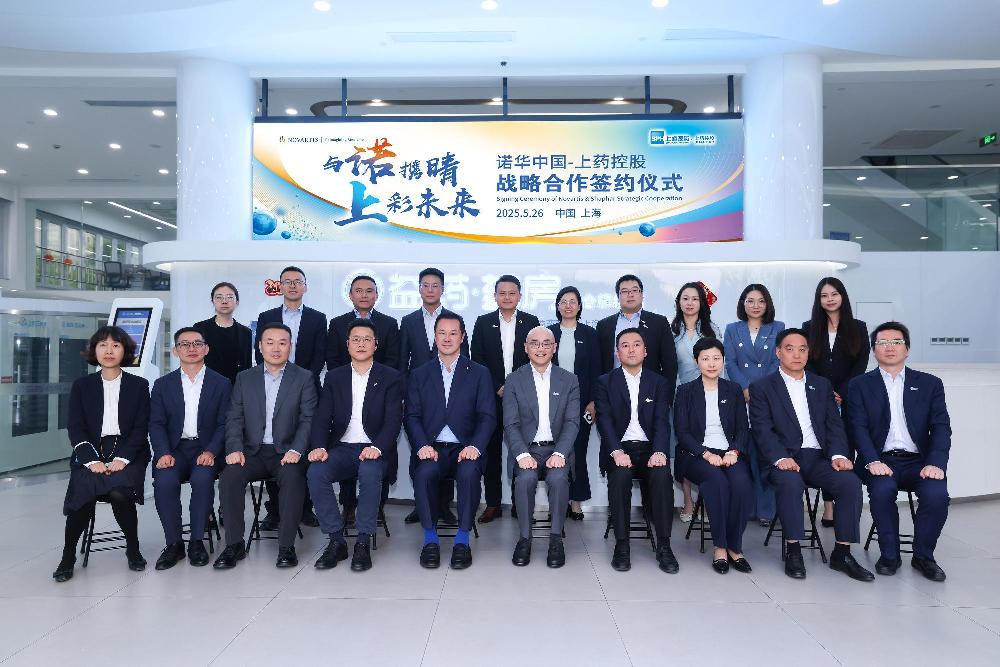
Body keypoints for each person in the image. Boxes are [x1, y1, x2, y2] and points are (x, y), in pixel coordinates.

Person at [748, 328, 873, 582]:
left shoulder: (821, 385)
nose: (797, 354)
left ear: (808, 353)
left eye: (802, 349)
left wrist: (838, 455)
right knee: (790, 482)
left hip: (818, 458)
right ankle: (793, 550)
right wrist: (781, 458)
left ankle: (842, 553)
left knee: (850, 483)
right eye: (790, 349)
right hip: (783, 458)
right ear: (778, 352)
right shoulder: (762, 387)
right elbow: (762, 430)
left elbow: (834, 426)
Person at [847, 322, 951, 582]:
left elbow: (941, 427)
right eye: (882, 343)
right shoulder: (859, 385)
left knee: (937, 495)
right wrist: (871, 460)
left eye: (896, 342)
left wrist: (936, 463)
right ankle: (890, 555)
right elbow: (857, 427)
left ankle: (924, 556)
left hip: (920, 462)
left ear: (907, 349)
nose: (890, 347)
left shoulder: (930, 384)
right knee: (882, 491)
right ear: (874, 350)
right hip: (880, 460)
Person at [213, 322, 317, 570]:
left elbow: (308, 419)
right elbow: (234, 417)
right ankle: (234, 544)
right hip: (252, 452)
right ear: (260, 346)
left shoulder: (304, 377)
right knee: (229, 477)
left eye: (282, 343)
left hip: (287, 452)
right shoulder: (245, 378)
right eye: (270, 343)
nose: (276, 348)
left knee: (293, 478)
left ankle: (286, 546)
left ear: (290, 346)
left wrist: (296, 450)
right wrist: (234, 448)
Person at [53, 326, 151, 583]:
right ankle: (67, 556)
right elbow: (76, 427)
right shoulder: (82, 385)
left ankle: (133, 548)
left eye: (115, 345)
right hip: (91, 450)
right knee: (84, 492)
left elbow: (141, 428)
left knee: (119, 493)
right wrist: (91, 460)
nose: (109, 351)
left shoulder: (139, 385)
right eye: (103, 345)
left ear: (124, 351)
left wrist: (122, 459)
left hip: (129, 451)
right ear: (94, 350)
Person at [307, 319, 403, 572]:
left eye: (367, 339)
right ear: (347, 344)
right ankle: (336, 540)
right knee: (316, 472)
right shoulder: (335, 377)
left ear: (376, 345)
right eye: (356, 340)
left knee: (370, 472)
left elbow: (393, 421)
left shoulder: (390, 377)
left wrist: (377, 448)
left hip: (374, 448)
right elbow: (321, 418)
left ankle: (362, 541)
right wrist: (319, 446)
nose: (361, 344)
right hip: (342, 448)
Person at [406, 313, 496, 569]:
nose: (447, 338)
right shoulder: (420, 374)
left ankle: (462, 540)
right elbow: (412, 416)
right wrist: (422, 445)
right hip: (431, 448)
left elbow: (487, 416)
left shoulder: (479, 373)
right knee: (425, 473)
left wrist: (475, 446)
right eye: (442, 333)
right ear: (434, 337)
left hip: (465, 448)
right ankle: (430, 539)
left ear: (462, 337)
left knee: (468, 474)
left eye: (453, 333)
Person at [595, 328, 678, 574]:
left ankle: (664, 545)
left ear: (645, 351)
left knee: (662, 475)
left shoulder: (659, 382)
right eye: (625, 345)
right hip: (620, 449)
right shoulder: (605, 382)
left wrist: (660, 451)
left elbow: (662, 421)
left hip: (650, 449)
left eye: (636, 344)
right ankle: (622, 545)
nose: (631, 349)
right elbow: (605, 421)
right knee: (620, 477)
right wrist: (616, 452)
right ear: (617, 353)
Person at [149, 327, 231, 570]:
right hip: (174, 449)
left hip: (206, 449)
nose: (191, 348)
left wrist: (212, 451)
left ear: (206, 349)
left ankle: (197, 542)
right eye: (185, 344)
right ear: (175, 351)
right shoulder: (163, 384)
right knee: (164, 481)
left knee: (202, 479)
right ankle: (174, 544)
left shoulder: (221, 383)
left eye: (197, 343)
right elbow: (156, 423)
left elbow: (225, 423)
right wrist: (163, 452)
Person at [325, 274, 401, 526]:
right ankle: (348, 507)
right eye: (359, 290)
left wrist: (380, 383)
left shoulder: (389, 323)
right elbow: (333, 359)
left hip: (380, 394)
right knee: (345, 441)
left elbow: (394, 359)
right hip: (346, 394)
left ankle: (376, 507)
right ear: (350, 295)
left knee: (380, 449)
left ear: (377, 295)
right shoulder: (337, 324)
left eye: (369, 290)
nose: (364, 295)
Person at [674, 339, 754, 574]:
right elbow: (682, 432)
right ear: (696, 362)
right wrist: (706, 454)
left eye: (716, 358)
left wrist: (733, 451)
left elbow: (742, 429)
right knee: (716, 481)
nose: (711, 364)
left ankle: (734, 547)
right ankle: (720, 547)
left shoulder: (733, 390)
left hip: (729, 453)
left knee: (741, 483)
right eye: (706, 359)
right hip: (696, 454)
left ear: (723, 361)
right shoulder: (685, 391)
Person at [255, 266, 326, 529]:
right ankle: (274, 510)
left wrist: (301, 381)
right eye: (287, 282)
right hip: (272, 387)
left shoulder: (318, 318)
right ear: (280, 286)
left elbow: (320, 355)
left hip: (306, 389)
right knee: (274, 446)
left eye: (298, 281)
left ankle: (305, 507)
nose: (293, 286)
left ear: (305, 286)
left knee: (303, 446)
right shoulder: (267, 316)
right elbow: (259, 352)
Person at [504, 327, 580, 568]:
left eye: (546, 343)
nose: (540, 348)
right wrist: (521, 454)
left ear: (554, 348)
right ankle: (524, 539)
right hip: (527, 450)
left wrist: (560, 453)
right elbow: (511, 423)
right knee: (525, 479)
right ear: (525, 348)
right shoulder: (514, 379)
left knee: (558, 479)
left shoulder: (569, 380)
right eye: (534, 343)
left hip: (557, 449)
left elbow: (572, 422)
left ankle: (556, 539)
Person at [398, 267, 469, 525]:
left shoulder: (454, 320)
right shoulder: (408, 321)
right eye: (425, 285)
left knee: (448, 444)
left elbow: (465, 360)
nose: (430, 290)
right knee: (421, 446)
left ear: (443, 289)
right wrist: (403, 395)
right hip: (419, 396)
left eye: (435, 285)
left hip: (449, 395)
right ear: (419, 289)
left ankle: (443, 507)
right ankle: (421, 506)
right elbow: (402, 361)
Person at [471, 275, 540, 523]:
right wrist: (497, 386)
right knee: (491, 452)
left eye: (512, 293)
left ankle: (519, 504)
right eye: (502, 293)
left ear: (520, 296)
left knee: (521, 450)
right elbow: (477, 360)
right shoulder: (483, 322)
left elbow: (537, 357)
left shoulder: (531, 322)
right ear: (495, 296)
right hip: (491, 397)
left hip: (523, 398)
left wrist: (513, 387)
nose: (507, 297)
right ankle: (493, 504)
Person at [801, 277, 870, 527]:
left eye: (834, 294)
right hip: (818, 398)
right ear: (818, 300)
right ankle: (828, 507)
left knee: (845, 447)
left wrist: (842, 391)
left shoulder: (858, 327)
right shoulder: (809, 327)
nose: (829, 299)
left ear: (842, 296)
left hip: (849, 398)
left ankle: (844, 503)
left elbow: (861, 364)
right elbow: (806, 362)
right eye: (824, 295)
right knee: (824, 448)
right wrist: (826, 391)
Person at [723, 283, 784, 527]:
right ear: (743, 304)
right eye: (750, 301)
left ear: (767, 304)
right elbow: (730, 363)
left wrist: (757, 391)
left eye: (760, 301)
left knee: (766, 451)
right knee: (744, 451)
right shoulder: (732, 329)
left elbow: (777, 362)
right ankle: (747, 508)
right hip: (741, 397)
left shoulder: (778, 328)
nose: (755, 305)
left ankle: (767, 509)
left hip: (768, 397)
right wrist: (745, 389)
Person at [670, 281, 722, 523]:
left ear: (702, 302)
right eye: (685, 298)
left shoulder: (712, 329)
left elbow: (721, 364)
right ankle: (688, 502)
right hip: (681, 396)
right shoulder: (671, 329)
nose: (690, 303)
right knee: (685, 448)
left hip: (710, 394)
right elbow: (669, 367)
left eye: (695, 298)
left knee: (707, 446)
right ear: (679, 302)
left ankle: (706, 502)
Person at [548, 286, 600, 521]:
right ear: (557, 306)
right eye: (563, 301)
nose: (568, 305)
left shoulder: (589, 334)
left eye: (572, 301)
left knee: (577, 451)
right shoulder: (549, 333)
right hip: (551, 402)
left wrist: (593, 402)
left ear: (579, 306)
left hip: (582, 403)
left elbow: (597, 370)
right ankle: (556, 502)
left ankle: (576, 501)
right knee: (554, 451)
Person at [595, 274, 677, 399]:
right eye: (625, 291)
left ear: (642, 295)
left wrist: (666, 397)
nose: (630, 294)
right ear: (618, 296)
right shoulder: (604, 325)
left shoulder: (659, 322)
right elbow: (599, 364)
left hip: (650, 393)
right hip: (613, 393)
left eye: (634, 290)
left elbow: (669, 363)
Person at [193, 281, 253, 385]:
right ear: (212, 301)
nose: (224, 301)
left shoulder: (245, 332)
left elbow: (247, 366)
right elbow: (194, 360)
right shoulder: (200, 328)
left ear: (237, 302)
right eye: (219, 297)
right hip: (207, 386)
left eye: (229, 297)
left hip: (236, 388)